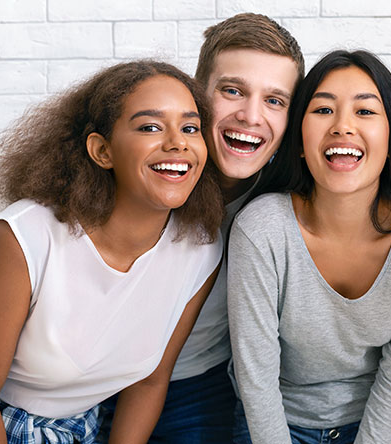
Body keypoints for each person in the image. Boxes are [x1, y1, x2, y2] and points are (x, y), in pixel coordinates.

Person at [0, 60, 223, 443]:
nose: (178, 143)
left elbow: (150, 382)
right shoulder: (24, 237)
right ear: (102, 150)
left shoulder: (200, 249)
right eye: (150, 127)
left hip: (84, 429)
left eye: (190, 128)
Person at [227, 50, 391, 444]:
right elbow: (256, 376)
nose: (342, 126)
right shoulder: (262, 228)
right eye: (322, 110)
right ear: (299, 140)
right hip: (275, 422)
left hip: (379, 422)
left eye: (365, 112)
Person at [99, 13, 303, 443]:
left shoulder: (286, 201)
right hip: (86, 383)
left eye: (275, 100)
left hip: (195, 386)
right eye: (233, 91)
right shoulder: (135, 167)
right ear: (197, 93)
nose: (250, 115)